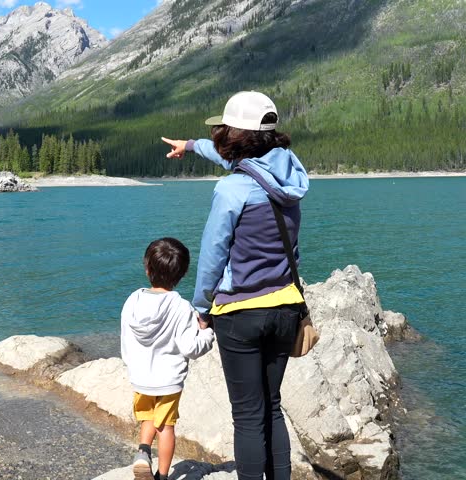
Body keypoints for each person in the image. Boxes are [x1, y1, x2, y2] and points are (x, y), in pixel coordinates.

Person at [161, 91, 310, 480]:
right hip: (285, 308)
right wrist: (191, 147)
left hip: (239, 314)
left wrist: (201, 308)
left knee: (247, 415)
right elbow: (235, 159)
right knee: (272, 406)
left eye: (222, 129)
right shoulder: (289, 174)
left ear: (233, 134)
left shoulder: (233, 190)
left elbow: (213, 254)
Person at [121, 237, 215, 480]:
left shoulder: (132, 300)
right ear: (182, 274)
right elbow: (190, 348)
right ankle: (163, 476)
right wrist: (206, 333)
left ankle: (143, 452)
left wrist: (133, 366)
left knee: (148, 417)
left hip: (141, 378)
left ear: (147, 268)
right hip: (168, 380)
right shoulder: (181, 307)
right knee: (165, 427)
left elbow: (125, 340)